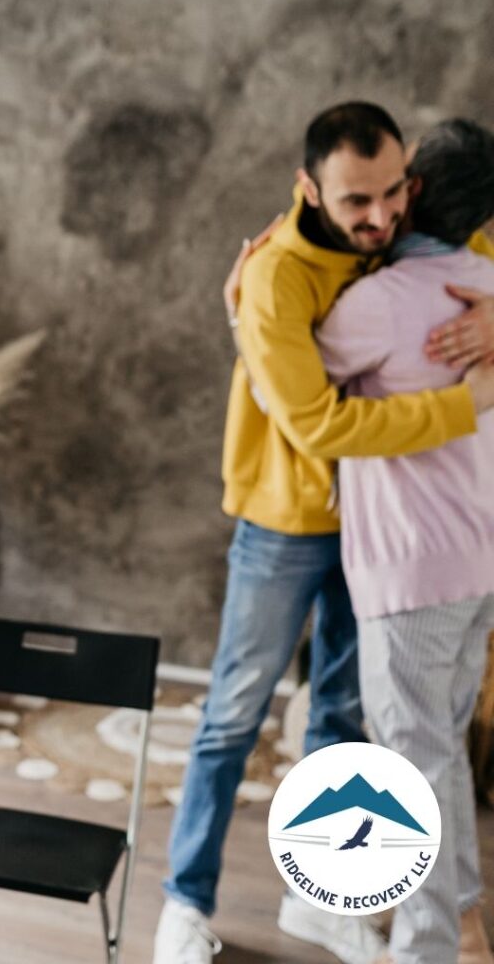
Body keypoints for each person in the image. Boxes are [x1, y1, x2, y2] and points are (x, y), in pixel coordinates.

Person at [152, 102, 494, 964]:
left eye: (394, 194)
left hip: (379, 531)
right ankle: (184, 902)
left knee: (341, 720)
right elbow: (322, 426)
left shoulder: (414, 242)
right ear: (310, 189)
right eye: (357, 202)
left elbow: (476, 263)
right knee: (235, 711)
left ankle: (323, 898)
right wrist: (466, 401)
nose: (381, 217)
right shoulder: (275, 275)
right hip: (286, 518)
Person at [316, 118, 494, 964]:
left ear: (414, 189)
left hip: (413, 574)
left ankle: (424, 951)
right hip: (478, 565)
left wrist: (245, 302)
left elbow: (292, 375)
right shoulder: (483, 284)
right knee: (440, 750)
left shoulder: (378, 304)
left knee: (410, 771)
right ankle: (465, 922)